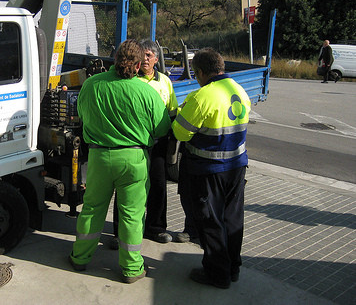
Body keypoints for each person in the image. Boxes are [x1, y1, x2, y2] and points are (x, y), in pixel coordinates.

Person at [68, 39, 171, 283]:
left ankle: (80, 257)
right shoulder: (147, 92)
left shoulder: (92, 85)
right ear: (137, 66)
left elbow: (82, 116)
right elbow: (162, 127)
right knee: (132, 215)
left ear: (114, 59)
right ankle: (132, 268)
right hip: (134, 159)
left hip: (100, 157)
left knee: (92, 209)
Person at [172, 48, 250, 289]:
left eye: (196, 74)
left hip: (209, 169)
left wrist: (180, 113)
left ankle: (217, 274)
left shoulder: (202, 96)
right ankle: (232, 267)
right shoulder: (239, 90)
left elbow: (180, 132)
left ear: (202, 72)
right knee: (232, 218)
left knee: (211, 221)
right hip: (237, 166)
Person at [109, 39, 178, 248]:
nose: (146, 59)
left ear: (156, 59)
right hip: (134, 142)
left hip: (157, 143)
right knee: (126, 188)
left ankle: (156, 228)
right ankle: (120, 232)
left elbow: (172, 111)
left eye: (149, 55)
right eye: (143, 55)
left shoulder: (165, 81)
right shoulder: (130, 80)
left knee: (158, 185)